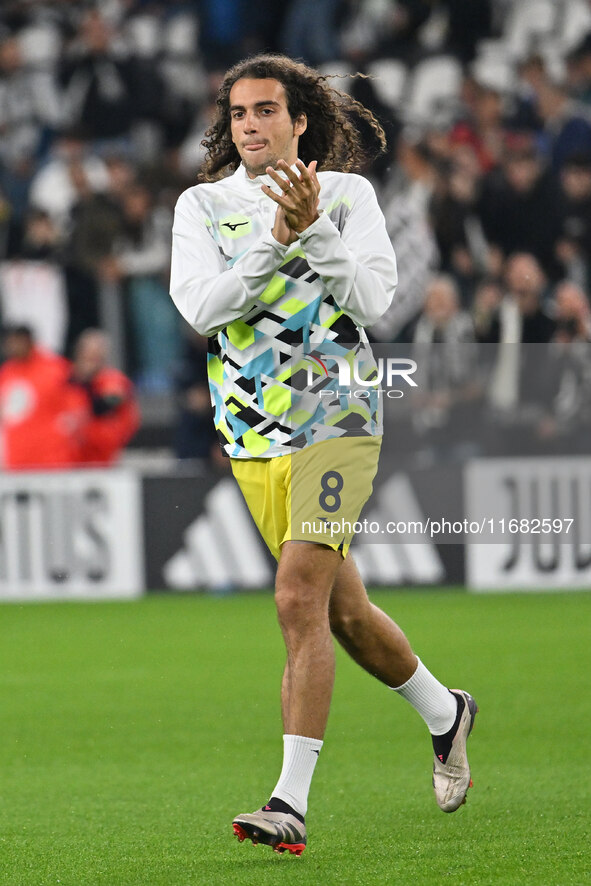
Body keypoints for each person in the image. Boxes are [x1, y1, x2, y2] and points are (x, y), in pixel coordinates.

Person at [169, 54, 477, 857]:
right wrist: (274, 241)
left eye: (267, 110)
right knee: (342, 614)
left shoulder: (347, 196)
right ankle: (446, 713)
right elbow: (203, 308)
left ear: (299, 120)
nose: (251, 125)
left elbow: (375, 302)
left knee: (295, 598)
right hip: (251, 430)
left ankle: (289, 804)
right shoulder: (202, 207)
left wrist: (316, 232)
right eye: (239, 113)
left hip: (338, 417)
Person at [0, 325, 75, 469]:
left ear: (28, 340)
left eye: (16, 342)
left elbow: (74, 403)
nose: (12, 347)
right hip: (17, 458)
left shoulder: (56, 369)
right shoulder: (6, 373)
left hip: (53, 458)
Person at [67, 328, 140, 466]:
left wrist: (85, 384)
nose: (92, 358)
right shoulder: (66, 379)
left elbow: (107, 403)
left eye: (97, 352)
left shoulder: (111, 379)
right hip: (69, 457)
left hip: (102, 456)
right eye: (88, 352)